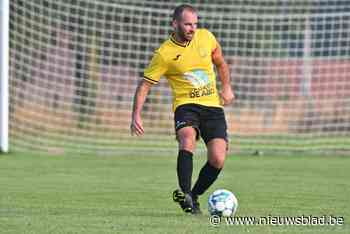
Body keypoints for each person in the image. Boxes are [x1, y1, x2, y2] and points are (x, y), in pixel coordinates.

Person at [130, 4, 234, 215]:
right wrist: (136, 115)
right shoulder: (164, 54)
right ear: (175, 24)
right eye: (187, 24)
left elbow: (221, 64)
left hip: (212, 107)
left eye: (195, 24)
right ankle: (185, 193)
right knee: (187, 139)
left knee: (218, 159)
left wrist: (227, 88)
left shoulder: (207, 38)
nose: (192, 28)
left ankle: (193, 195)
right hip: (186, 106)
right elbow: (145, 85)